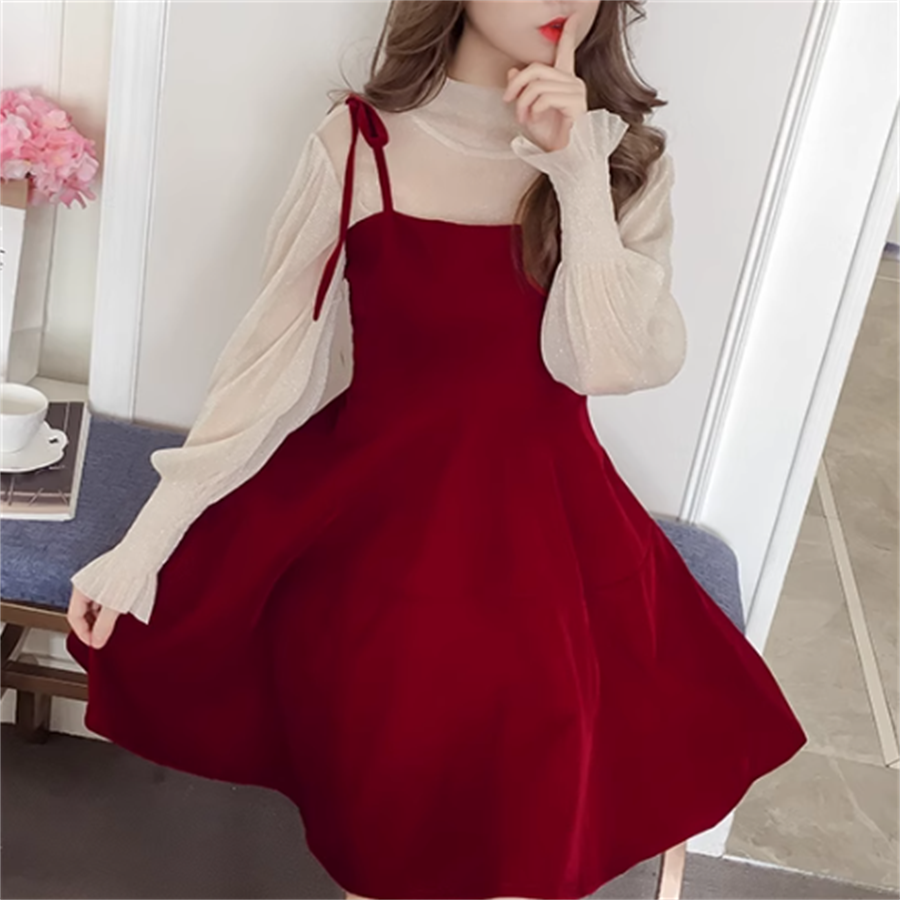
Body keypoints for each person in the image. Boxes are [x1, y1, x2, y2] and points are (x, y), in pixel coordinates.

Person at [65, 1, 807, 899]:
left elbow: (606, 366)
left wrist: (577, 175)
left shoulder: (621, 157)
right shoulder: (360, 142)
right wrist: (145, 544)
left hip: (552, 543)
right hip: (378, 540)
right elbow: (268, 370)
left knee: (523, 836)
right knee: (388, 846)